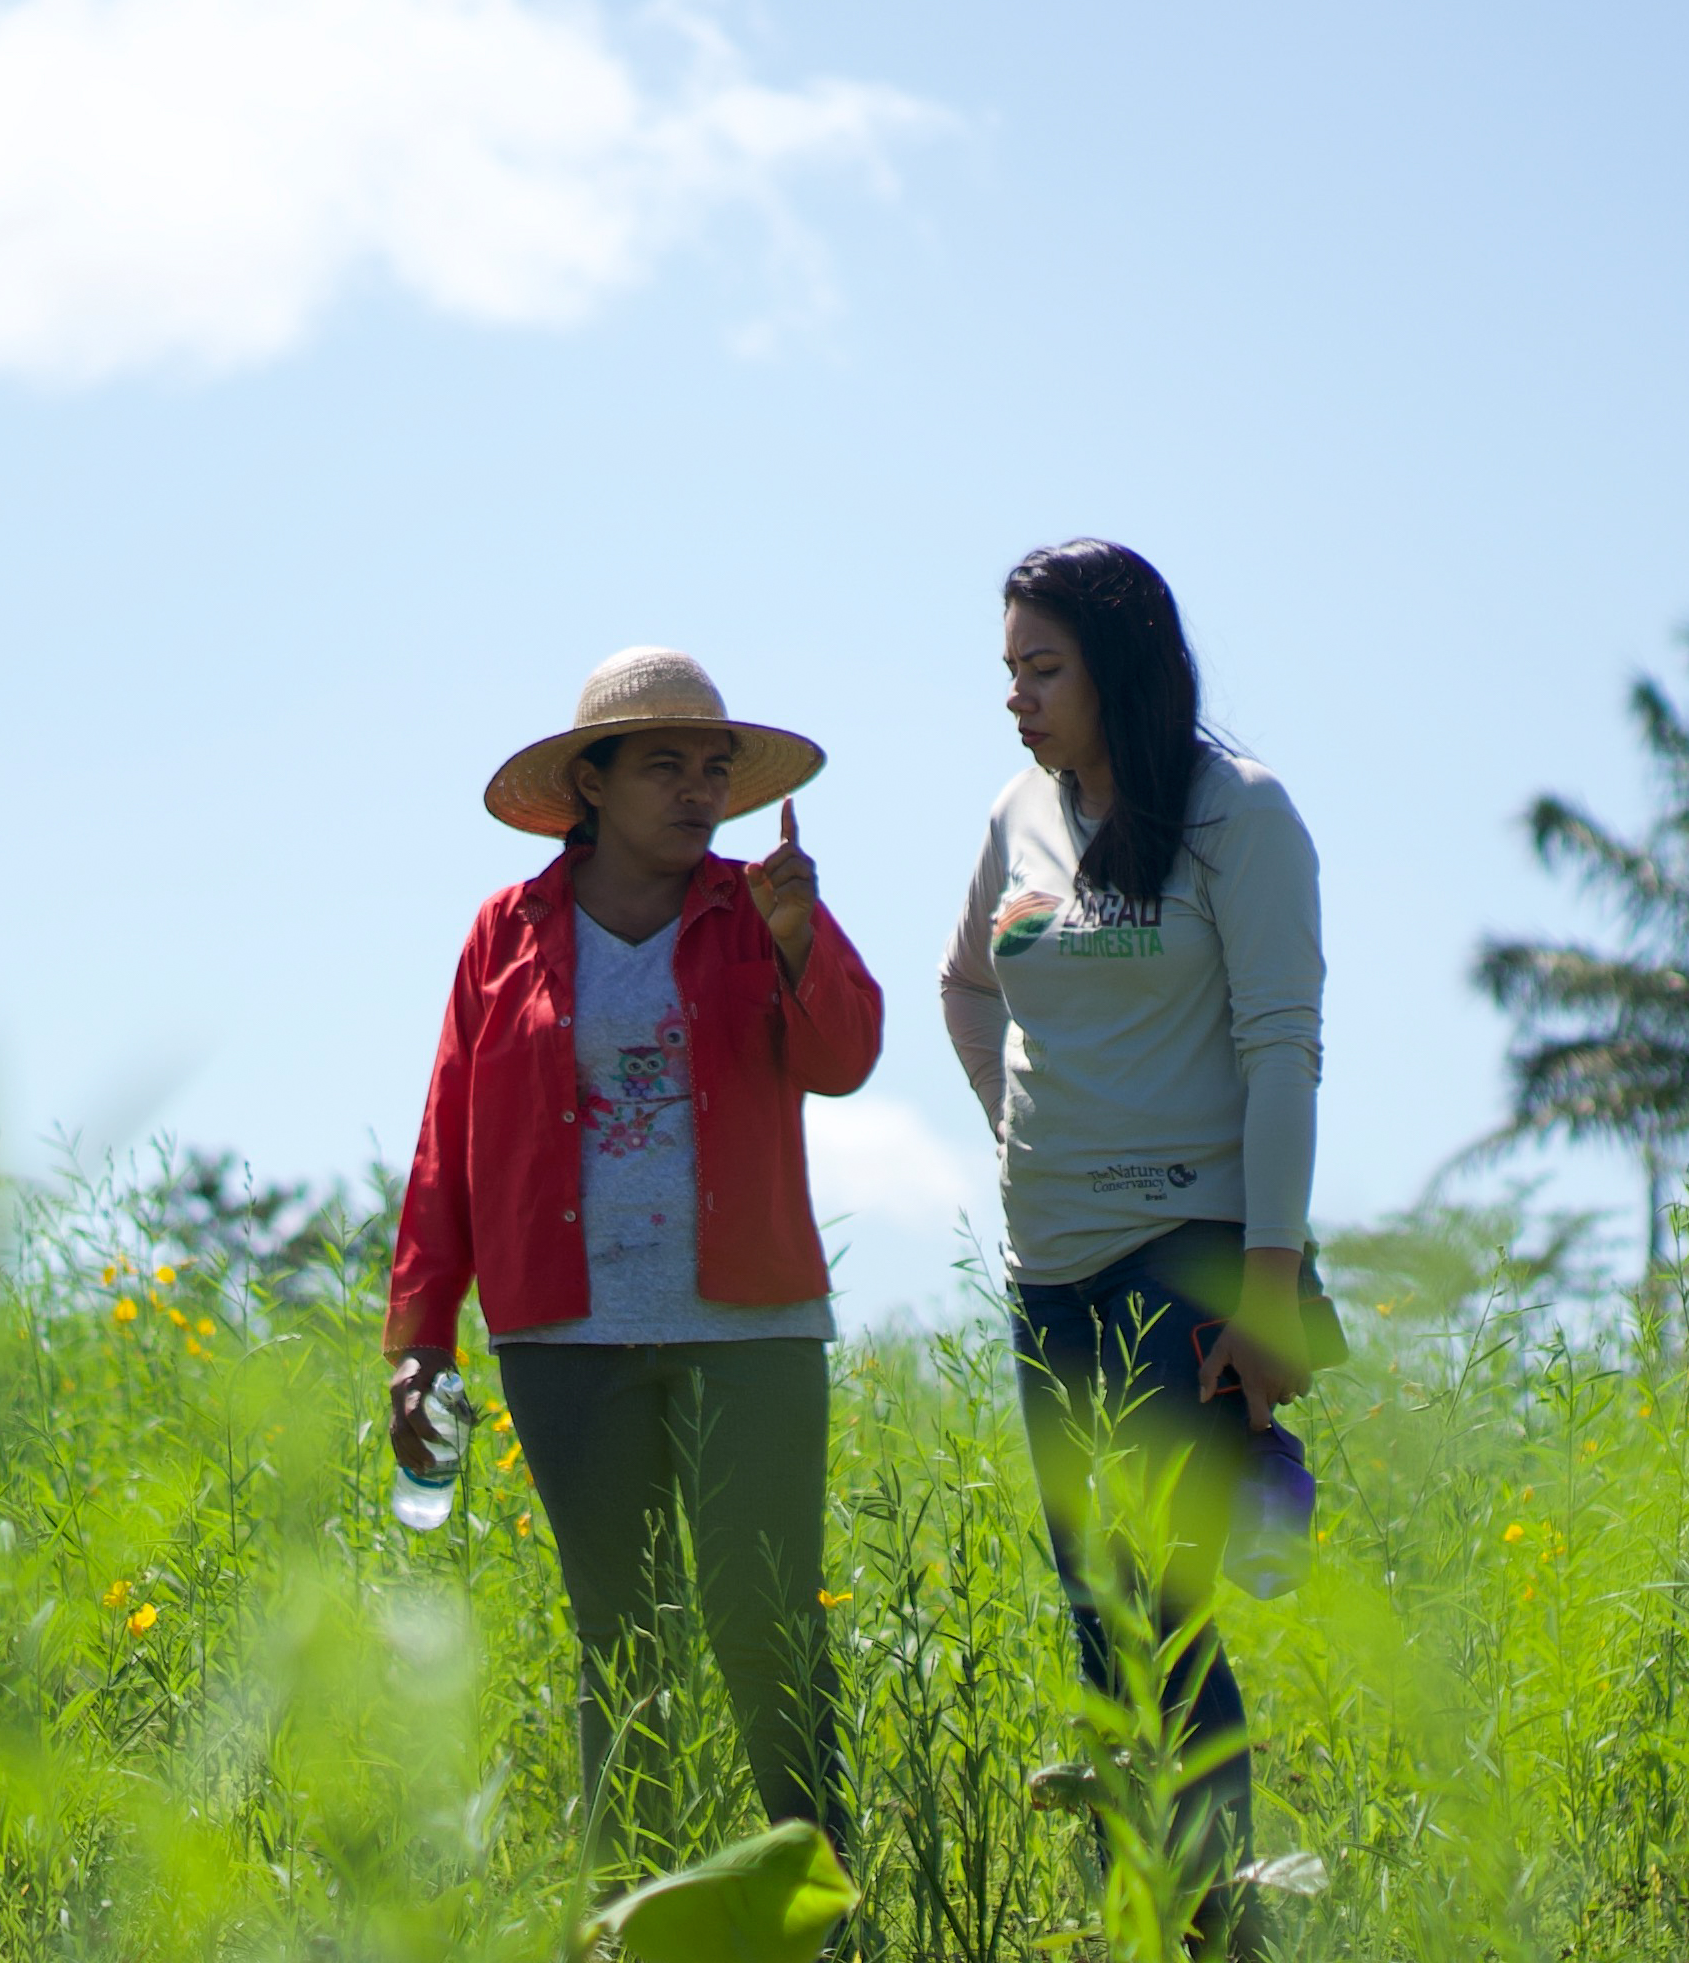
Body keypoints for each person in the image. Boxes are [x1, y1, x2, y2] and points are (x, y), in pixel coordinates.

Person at [385, 647, 882, 1873]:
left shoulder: (755, 906)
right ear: (591, 784)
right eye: (665, 764)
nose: (699, 789)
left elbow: (847, 1057)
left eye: (716, 767)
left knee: (769, 1628)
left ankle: (820, 1910)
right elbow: (447, 1138)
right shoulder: (505, 933)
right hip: (566, 1340)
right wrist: (417, 1340)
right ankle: (627, 1911)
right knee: (623, 1637)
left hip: (752, 1331)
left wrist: (797, 935)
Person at [937, 540, 1323, 1954]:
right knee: (1096, 1610)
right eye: (1010, 674)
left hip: (1191, 1257)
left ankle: (1212, 1924)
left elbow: (1285, 1050)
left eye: (1044, 670)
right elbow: (966, 980)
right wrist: (1008, 1126)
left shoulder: (1240, 817)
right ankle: (1144, 1917)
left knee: (1161, 1605)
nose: (1019, 701)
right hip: (1051, 1269)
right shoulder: (1016, 815)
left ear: (1123, 666)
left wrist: (1270, 1289)